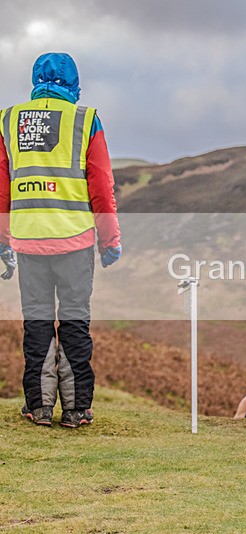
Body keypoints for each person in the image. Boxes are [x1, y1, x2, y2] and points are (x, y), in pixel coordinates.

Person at [0, 53, 122, 428]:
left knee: (36, 322)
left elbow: (1, 189)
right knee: (74, 321)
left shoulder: (8, 119)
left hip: (27, 238)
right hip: (74, 240)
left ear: (35, 80)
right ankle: (75, 409)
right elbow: (101, 184)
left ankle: (38, 408)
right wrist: (109, 240)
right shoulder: (86, 119)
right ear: (75, 82)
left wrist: (3, 240)